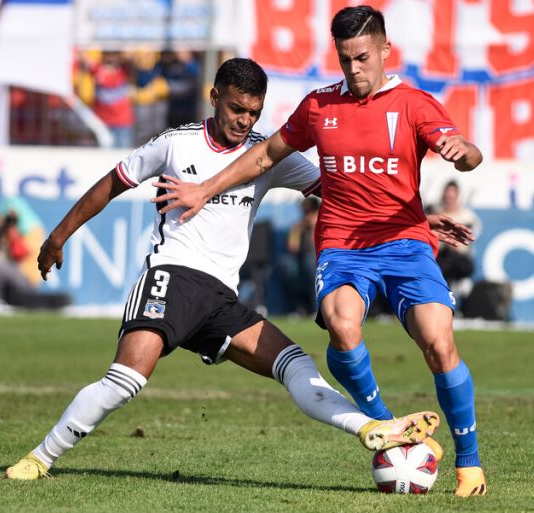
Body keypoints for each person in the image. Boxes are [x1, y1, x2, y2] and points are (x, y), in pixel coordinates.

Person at [5, 58, 468, 481]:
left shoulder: (266, 155)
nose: (244, 120)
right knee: (126, 381)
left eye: (253, 112)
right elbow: (112, 183)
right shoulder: (176, 143)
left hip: (222, 300)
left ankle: (370, 429)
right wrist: (58, 236)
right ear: (214, 97)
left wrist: (415, 218)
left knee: (295, 364)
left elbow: (346, 192)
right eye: (236, 109)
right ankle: (40, 458)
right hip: (173, 277)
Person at [156, 6, 486, 496]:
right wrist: (205, 189)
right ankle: (388, 428)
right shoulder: (318, 106)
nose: (354, 68)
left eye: (363, 57)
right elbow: (265, 155)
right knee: (341, 324)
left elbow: (468, 152)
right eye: (345, 58)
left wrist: (464, 152)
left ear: (385, 50)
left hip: (405, 241)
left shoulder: (415, 105)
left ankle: (470, 466)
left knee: (439, 342)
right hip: (343, 242)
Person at [430, 180, 481, 303]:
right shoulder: (435, 215)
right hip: (440, 257)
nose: (449, 199)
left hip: (460, 258)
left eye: (451, 197)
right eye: (447, 196)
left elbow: (472, 235)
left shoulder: (467, 216)